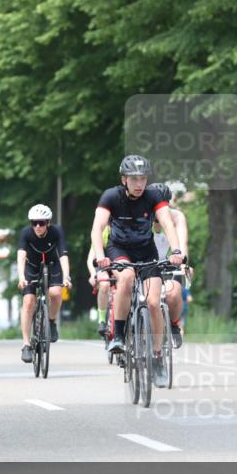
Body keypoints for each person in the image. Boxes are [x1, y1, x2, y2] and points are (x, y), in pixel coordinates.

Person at [91, 154, 185, 388]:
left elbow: (166, 223)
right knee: (127, 277)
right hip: (119, 248)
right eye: (134, 179)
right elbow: (97, 228)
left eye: (143, 178)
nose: (140, 183)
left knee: (154, 302)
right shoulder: (111, 196)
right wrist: (100, 256)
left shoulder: (152, 196)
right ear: (124, 180)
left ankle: (157, 356)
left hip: (146, 250)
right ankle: (119, 336)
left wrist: (176, 250)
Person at [17, 204, 72, 362]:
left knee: (55, 293)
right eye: (34, 223)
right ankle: (26, 344)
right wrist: (21, 277)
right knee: (28, 302)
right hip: (31, 266)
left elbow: (63, 255)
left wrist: (66, 276)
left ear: (48, 222)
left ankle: (52, 321)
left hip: (52, 265)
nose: (38, 226)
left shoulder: (56, 231)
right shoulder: (26, 233)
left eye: (41, 222)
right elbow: (21, 256)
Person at [151, 182, 191, 348]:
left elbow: (183, 244)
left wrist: (184, 263)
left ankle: (174, 325)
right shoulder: (142, 215)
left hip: (168, 262)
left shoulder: (177, 217)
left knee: (174, 294)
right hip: (145, 261)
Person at [86, 225, 114, 337]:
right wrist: (93, 274)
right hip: (102, 264)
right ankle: (102, 320)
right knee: (105, 283)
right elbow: (90, 258)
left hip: (120, 263)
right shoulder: (102, 232)